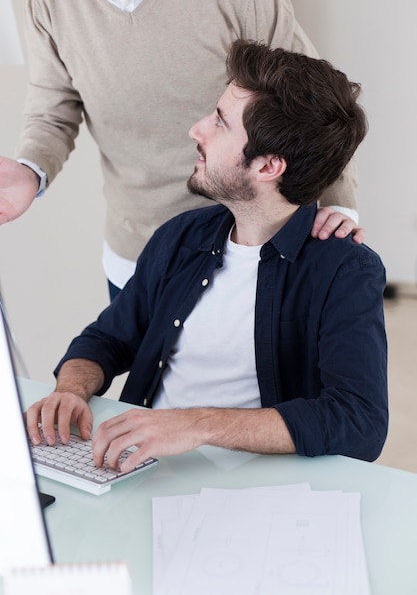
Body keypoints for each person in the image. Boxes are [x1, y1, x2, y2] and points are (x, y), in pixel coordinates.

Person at [26, 40, 388, 470]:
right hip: (139, 466)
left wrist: (195, 424)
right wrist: (70, 389)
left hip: (252, 493)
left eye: (220, 122)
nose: (197, 130)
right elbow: (108, 339)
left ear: (269, 166)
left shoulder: (345, 269)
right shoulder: (180, 237)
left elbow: (359, 421)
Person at [0, 0, 363, 299]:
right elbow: (54, 104)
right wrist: (32, 168)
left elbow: (314, 99)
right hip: (136, 250)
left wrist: (338, 204)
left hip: (248, 247)